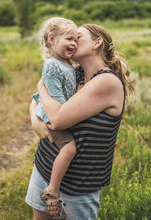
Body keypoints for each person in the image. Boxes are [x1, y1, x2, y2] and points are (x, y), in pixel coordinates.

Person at [26, 23, 135, 220]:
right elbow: (36, 104)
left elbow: (57, 120)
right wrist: (35, 122)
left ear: (97, 42)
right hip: (44, 167)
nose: (72, 42)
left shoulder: (107, 81)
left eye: (78, 37)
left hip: (78, 186)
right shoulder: (74, 73)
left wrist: (40, 88)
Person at [31, 17, 78, 219]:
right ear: (51, 39)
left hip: (58, 111)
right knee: (69, 148)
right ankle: (52, 190)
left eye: (76, 39)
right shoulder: (51, 66)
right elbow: (57, 101)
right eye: (69, 39)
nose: (74, 44)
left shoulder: (66, 63)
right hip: (53, 116)